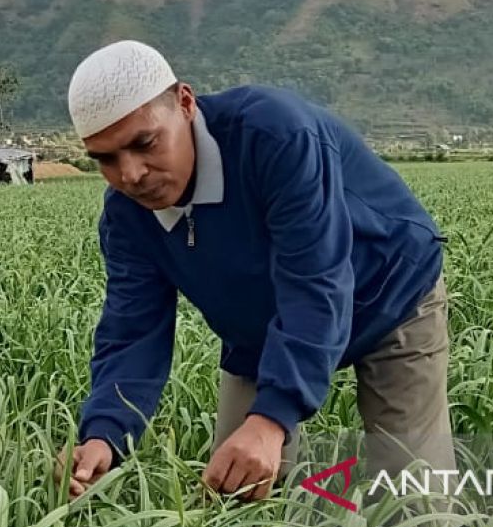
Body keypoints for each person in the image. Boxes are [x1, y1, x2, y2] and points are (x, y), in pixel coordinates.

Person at [52, 40, 455, 502]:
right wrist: (104, 435)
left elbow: (316, 281)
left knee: (413, 493)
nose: (130, 175)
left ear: (185, 103)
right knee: (234, 495)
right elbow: (132, 329)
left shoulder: (276, 137)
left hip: (389, 293)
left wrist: (272, 418)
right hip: (261, 328)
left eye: (144, 143)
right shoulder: (127, 216)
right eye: (104, 158)